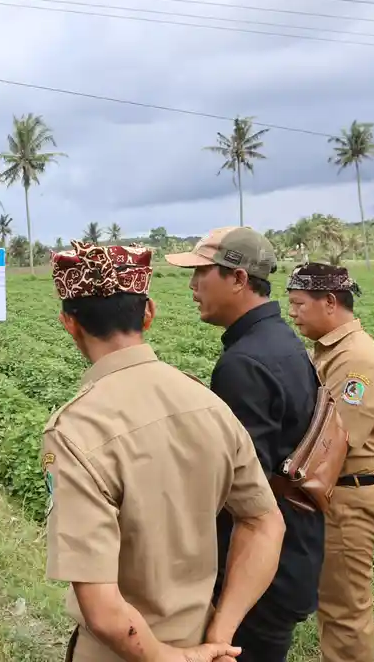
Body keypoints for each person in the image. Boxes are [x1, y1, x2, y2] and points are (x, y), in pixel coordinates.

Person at [44, 240, 286, 662]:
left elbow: (102, 609)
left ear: (69, 323)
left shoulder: (77, 429)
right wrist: (220, 634)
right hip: (204, 642)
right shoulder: (207, 403)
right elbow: (265, 522)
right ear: (149, 313)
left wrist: (167, 658)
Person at [166, 227, 324, 662]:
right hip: (293, 553)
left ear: (238, 279)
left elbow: (241, 492)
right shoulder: (280, 342)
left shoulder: (245, 363)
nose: (193, 286)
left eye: (202, 273)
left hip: (260, 572)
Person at [284, 263, 374, 662]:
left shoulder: (358, 361)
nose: (292, 313)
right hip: (334, 494)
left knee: (346, 611)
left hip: (348, 497)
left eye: (298, 304)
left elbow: (334, 441)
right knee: (332, 601)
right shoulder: (332, 351)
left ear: (329, 302)